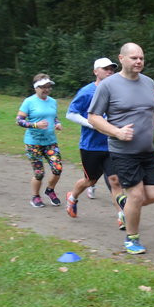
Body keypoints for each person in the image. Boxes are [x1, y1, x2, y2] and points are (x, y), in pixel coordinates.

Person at [88, 42, 154, 255]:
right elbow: (93, 117)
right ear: (121, 59)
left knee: (153, 195)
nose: (139, 61)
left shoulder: (149, 82)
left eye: (141, 58)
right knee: (137, 195)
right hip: (123, 151)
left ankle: (124, 202)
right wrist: (116, 132)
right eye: (134, 58)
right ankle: (132, 238)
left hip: (147, 150)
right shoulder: (108, 85)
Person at [64, 58, 126, 229]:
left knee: (115, 180)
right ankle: (72, 196)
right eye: (106, 69)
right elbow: (71, 113)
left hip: (111, 144)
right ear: (95, 71)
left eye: (112, 69)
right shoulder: (87, 92)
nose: (110, 72)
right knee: (90, 180)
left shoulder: (116, 91)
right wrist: (92, 124)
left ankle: (122, 215)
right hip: (91, 146)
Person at [17, 74, 63, 208]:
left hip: (50, 142)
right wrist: (35, 125)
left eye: (48, 87)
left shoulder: (53, 101)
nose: (46, 89)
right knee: (39, 173)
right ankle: (35, 196)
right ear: (36, 88)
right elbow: (19, 120)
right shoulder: (29, 102)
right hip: (33, 143)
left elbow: (53, 116)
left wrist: (57, 123)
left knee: (57, 168)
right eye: (43, 87)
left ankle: (50, 190)